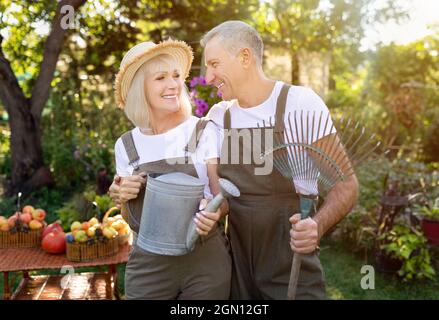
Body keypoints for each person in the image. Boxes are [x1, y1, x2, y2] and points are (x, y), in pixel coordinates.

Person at [200, 21, 359, 299]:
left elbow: (347, 186)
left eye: (214, 64)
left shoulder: (299, 104)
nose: (208, 77)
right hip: (238, 270)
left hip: (291, 264)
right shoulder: (219, 116)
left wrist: (317, 226)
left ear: (245, 57)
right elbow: (220, 197)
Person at [111, 39, 231, 299]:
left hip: (205, 259)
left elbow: (222, 196)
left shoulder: (203, 130)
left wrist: (215, 212)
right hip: (148, 264)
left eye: (176, 75)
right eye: (161, 77)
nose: (173, 84)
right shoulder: (127, 145)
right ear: (138, 88)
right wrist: (123, 195)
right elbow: (129, 216)